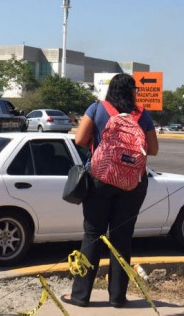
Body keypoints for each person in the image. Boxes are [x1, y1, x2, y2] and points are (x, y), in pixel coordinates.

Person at [61, 73, 159, 308]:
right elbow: (153, 149)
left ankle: (81, 296)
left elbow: (79, 139)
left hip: (100, 180)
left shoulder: (96, 109)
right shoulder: (142, 114)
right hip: (132, 184)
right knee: (122, 238)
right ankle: (117, 298)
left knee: (93, 234)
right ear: (133, 91)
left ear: (110, 90)